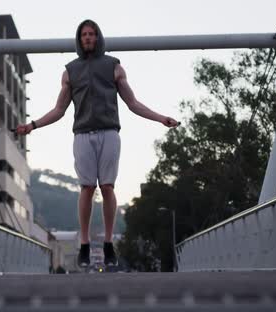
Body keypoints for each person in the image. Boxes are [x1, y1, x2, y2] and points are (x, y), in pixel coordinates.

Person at [16, 19, 179, 268]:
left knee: (108, 187)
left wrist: (160, 118)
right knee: (87, 188)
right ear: (79, 39)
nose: (88, 38)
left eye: (92, 34)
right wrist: (32, 125)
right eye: (84, 35)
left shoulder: (114, 67)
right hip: (82, 134)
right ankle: (84, 243)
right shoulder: (70, 72)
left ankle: (108, 243)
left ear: (98, 37)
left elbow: (133, 103)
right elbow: (59, 109)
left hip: (109, 132)